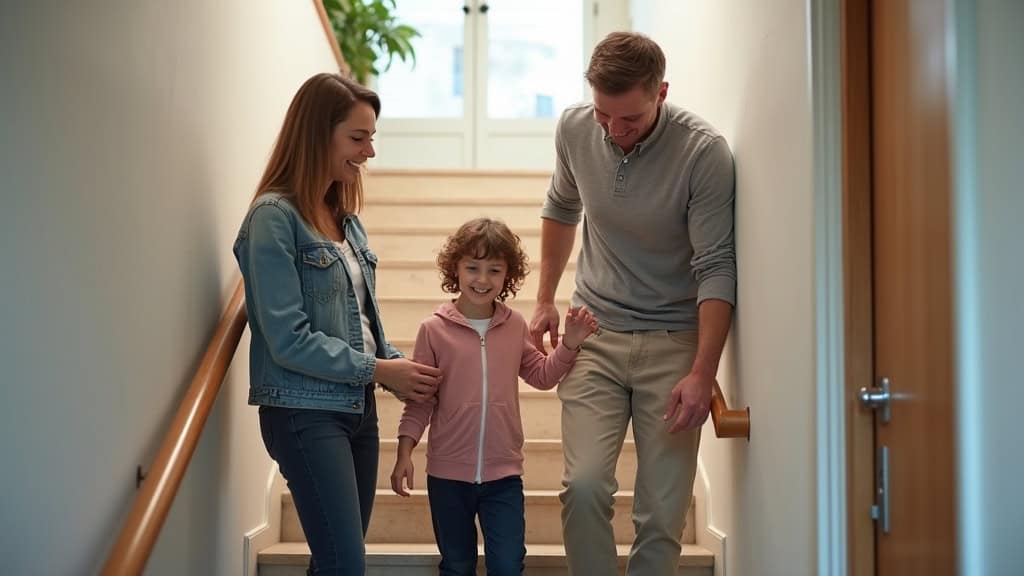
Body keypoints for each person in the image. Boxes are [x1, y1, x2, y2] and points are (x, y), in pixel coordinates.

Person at [529, 32, 736, 576]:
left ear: (661, 92)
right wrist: (544, 299)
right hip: (593, 335)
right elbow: (560, 208)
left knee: (663, 511)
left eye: (631, 119)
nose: (615, 131)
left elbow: (716, 266)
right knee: (583, 485)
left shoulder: (702, 152)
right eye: (604, 114)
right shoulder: (576, 128)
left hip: (674, 343)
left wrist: (703, 372)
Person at [233, 72, 442, 576]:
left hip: (356, 408)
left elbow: (364, 326)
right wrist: (379, 370)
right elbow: (288, 339)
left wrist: (401, 370)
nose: (369, 152)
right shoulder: (272, 219)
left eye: (371, 138)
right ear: (316, 134)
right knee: (345, 563)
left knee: (336, 560)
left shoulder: (346, 220)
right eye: (358, 137)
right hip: (304, 412)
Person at [390, 218, 598, 576]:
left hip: (504, 476)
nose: (482, 279)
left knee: (507, 564)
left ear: (508, 275)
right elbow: (420, 400)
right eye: (472, 267)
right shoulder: (433, 330)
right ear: (455, 268)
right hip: (447, 476)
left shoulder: (515, 325)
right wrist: (404, 453)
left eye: (494, 270)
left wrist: (569, 344)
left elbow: (542, 375)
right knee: (457, 565)